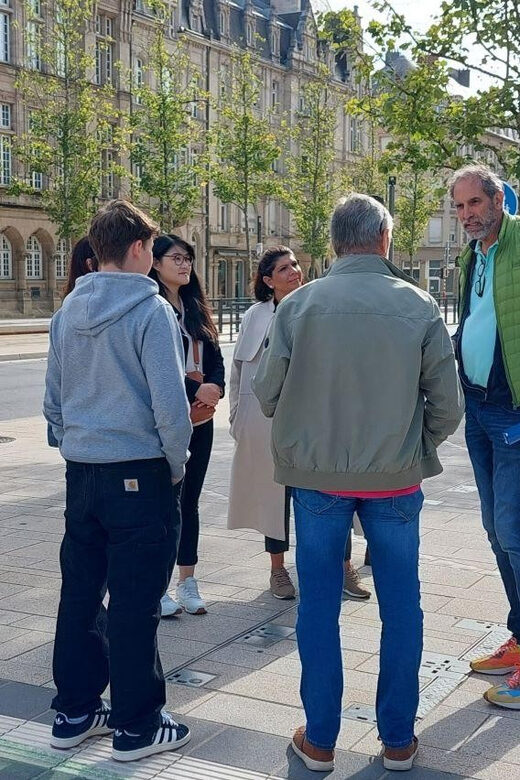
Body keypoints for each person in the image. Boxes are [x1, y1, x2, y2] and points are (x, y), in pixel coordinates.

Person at [253, 194, 464, 772]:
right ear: (385, 238)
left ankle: (320, 740)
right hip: (394, 482)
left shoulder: (299, 306)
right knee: (402, 607)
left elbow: (266, 393)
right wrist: (412, 448)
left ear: (334, 243)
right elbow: (447, 407)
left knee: (317, 607)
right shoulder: (418, 305)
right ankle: (397, 738)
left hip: (318, 480)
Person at [43, 200, 193, 763]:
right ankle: (137, 724)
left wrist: (74, 446)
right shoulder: (151, 312)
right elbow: (170, 406)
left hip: (83, 474)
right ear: (137, 249)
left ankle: (74, 711)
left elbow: (52, 399)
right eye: (152, 249)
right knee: (135, 600)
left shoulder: (66, 312)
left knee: (79, 593)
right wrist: (172, 464)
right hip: (139, 472)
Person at [228, 246, 370, 600]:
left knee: (336, 492)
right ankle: (278, 571)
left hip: (316, 421)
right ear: (267, 280)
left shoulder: (318, 306)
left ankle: (343, 566)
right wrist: (235, 416)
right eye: (283, 268)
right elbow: (238, 370)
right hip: (266, 421)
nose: (294, 271)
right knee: (272, 498)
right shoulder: (255, 316)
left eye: (294, 265)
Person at [450, 164, 520, 709]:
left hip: (515, 413)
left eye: (475, 203)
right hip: (479, 409)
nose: (467, 215)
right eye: (459, 207)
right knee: (498, 535)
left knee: (515, 533)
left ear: (498, 199)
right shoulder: (470, 256)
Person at [150, 234, 225, 617]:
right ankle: (159, 585)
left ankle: (187, 580)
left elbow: (216, 359)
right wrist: (200, 389)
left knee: (190, 501)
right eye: (175, 258)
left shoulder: (196, 308)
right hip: (168, 418)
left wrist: (214, 389)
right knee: (165, 502)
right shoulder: (152, 308)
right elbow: (158, 370)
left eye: (188, 259)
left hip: (202, 418)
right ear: (155, 262)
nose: (184, 265)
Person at [48, 237, 97, 449]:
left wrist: (64, 441)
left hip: (77, 440)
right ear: (92, 264)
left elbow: (53, 394)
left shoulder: (64, 313)